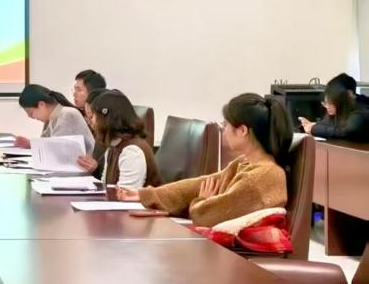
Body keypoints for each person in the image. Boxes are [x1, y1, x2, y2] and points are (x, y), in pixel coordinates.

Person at [119, 94, 291, 227]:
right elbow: (201, 184)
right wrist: (146, 195)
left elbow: (207, 216)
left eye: (226, 125)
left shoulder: (260, 178)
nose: (223, 130)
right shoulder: (246, 163)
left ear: (242, 131)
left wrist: (201, 202)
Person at [79, 90, 159, 189]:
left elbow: (125, 195)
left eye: (93, 116)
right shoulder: (113, 147)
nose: (91, 121)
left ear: (106, 119)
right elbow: (105, 186)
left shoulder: (132, 152)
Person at [14, 84, 95, 155]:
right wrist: (30, 144)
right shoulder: (53, 118)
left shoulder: (67, 114)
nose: (30, 117)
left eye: (30, 112)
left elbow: (54, 149)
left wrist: (31, 144)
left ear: (41, 104)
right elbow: (44, 143)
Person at [300, 74, 368, 142]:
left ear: (348, 95)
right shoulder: (337, 110)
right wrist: (309, 126)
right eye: (325, 103)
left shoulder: (362, 111)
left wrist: (314, 128)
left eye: (331, 103)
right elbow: (326, 124)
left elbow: (348, 131)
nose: (327, 107)